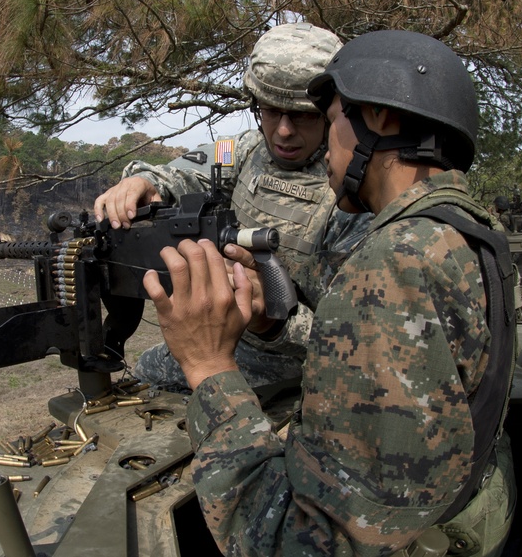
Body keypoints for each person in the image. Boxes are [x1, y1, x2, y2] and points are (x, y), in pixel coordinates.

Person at [143, 30, 517, 556]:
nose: (320, 150)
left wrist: (208, 365)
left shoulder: (392, 265)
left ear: (379, 119)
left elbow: (295, 545)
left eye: (333, 115)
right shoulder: (467, 235)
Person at [94, 22, 344, 391]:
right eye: (271, 111)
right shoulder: (244, 150)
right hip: (222, 338)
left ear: (331, 112)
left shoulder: (348, 189)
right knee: (143, 376)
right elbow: (184, 171)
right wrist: (143, 181)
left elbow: (349, 339)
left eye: (302, 115)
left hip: (296, 366)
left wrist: (273, 323)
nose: (284, 131)